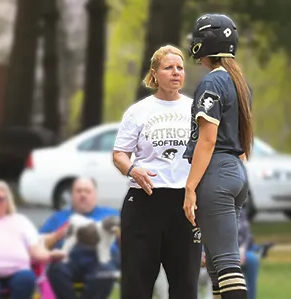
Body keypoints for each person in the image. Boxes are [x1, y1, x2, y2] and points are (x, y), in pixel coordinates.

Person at [113, 45, 202, 299]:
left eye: (180, 68)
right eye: (169, 68)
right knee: (137, 283)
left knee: (185, 284)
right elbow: (119, 154)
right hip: (145, 200)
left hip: (184, 202)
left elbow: (207, 149)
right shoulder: (139, 111)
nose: (176, 73)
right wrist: (133, 170)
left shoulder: (194, 109)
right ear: (155, 73)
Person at [182, 14, 253, 299]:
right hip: (236, 171)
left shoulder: (212, 84)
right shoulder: (240, 83)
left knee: (225, 263)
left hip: (216, 175)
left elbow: (208, 140)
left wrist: (190, 187)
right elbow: (244, 139)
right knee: (214, 266)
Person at [41, 177, 120, 299]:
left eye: (87, 191)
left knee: (106, 272)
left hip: (101, 259)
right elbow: (38, 243)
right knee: (55, 270)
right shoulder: (58, 217)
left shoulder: (111, 214)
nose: (83, 195)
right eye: (78, 191)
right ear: (71, 194)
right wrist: (58, 234)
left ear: (95, 194)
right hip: (68, 259)